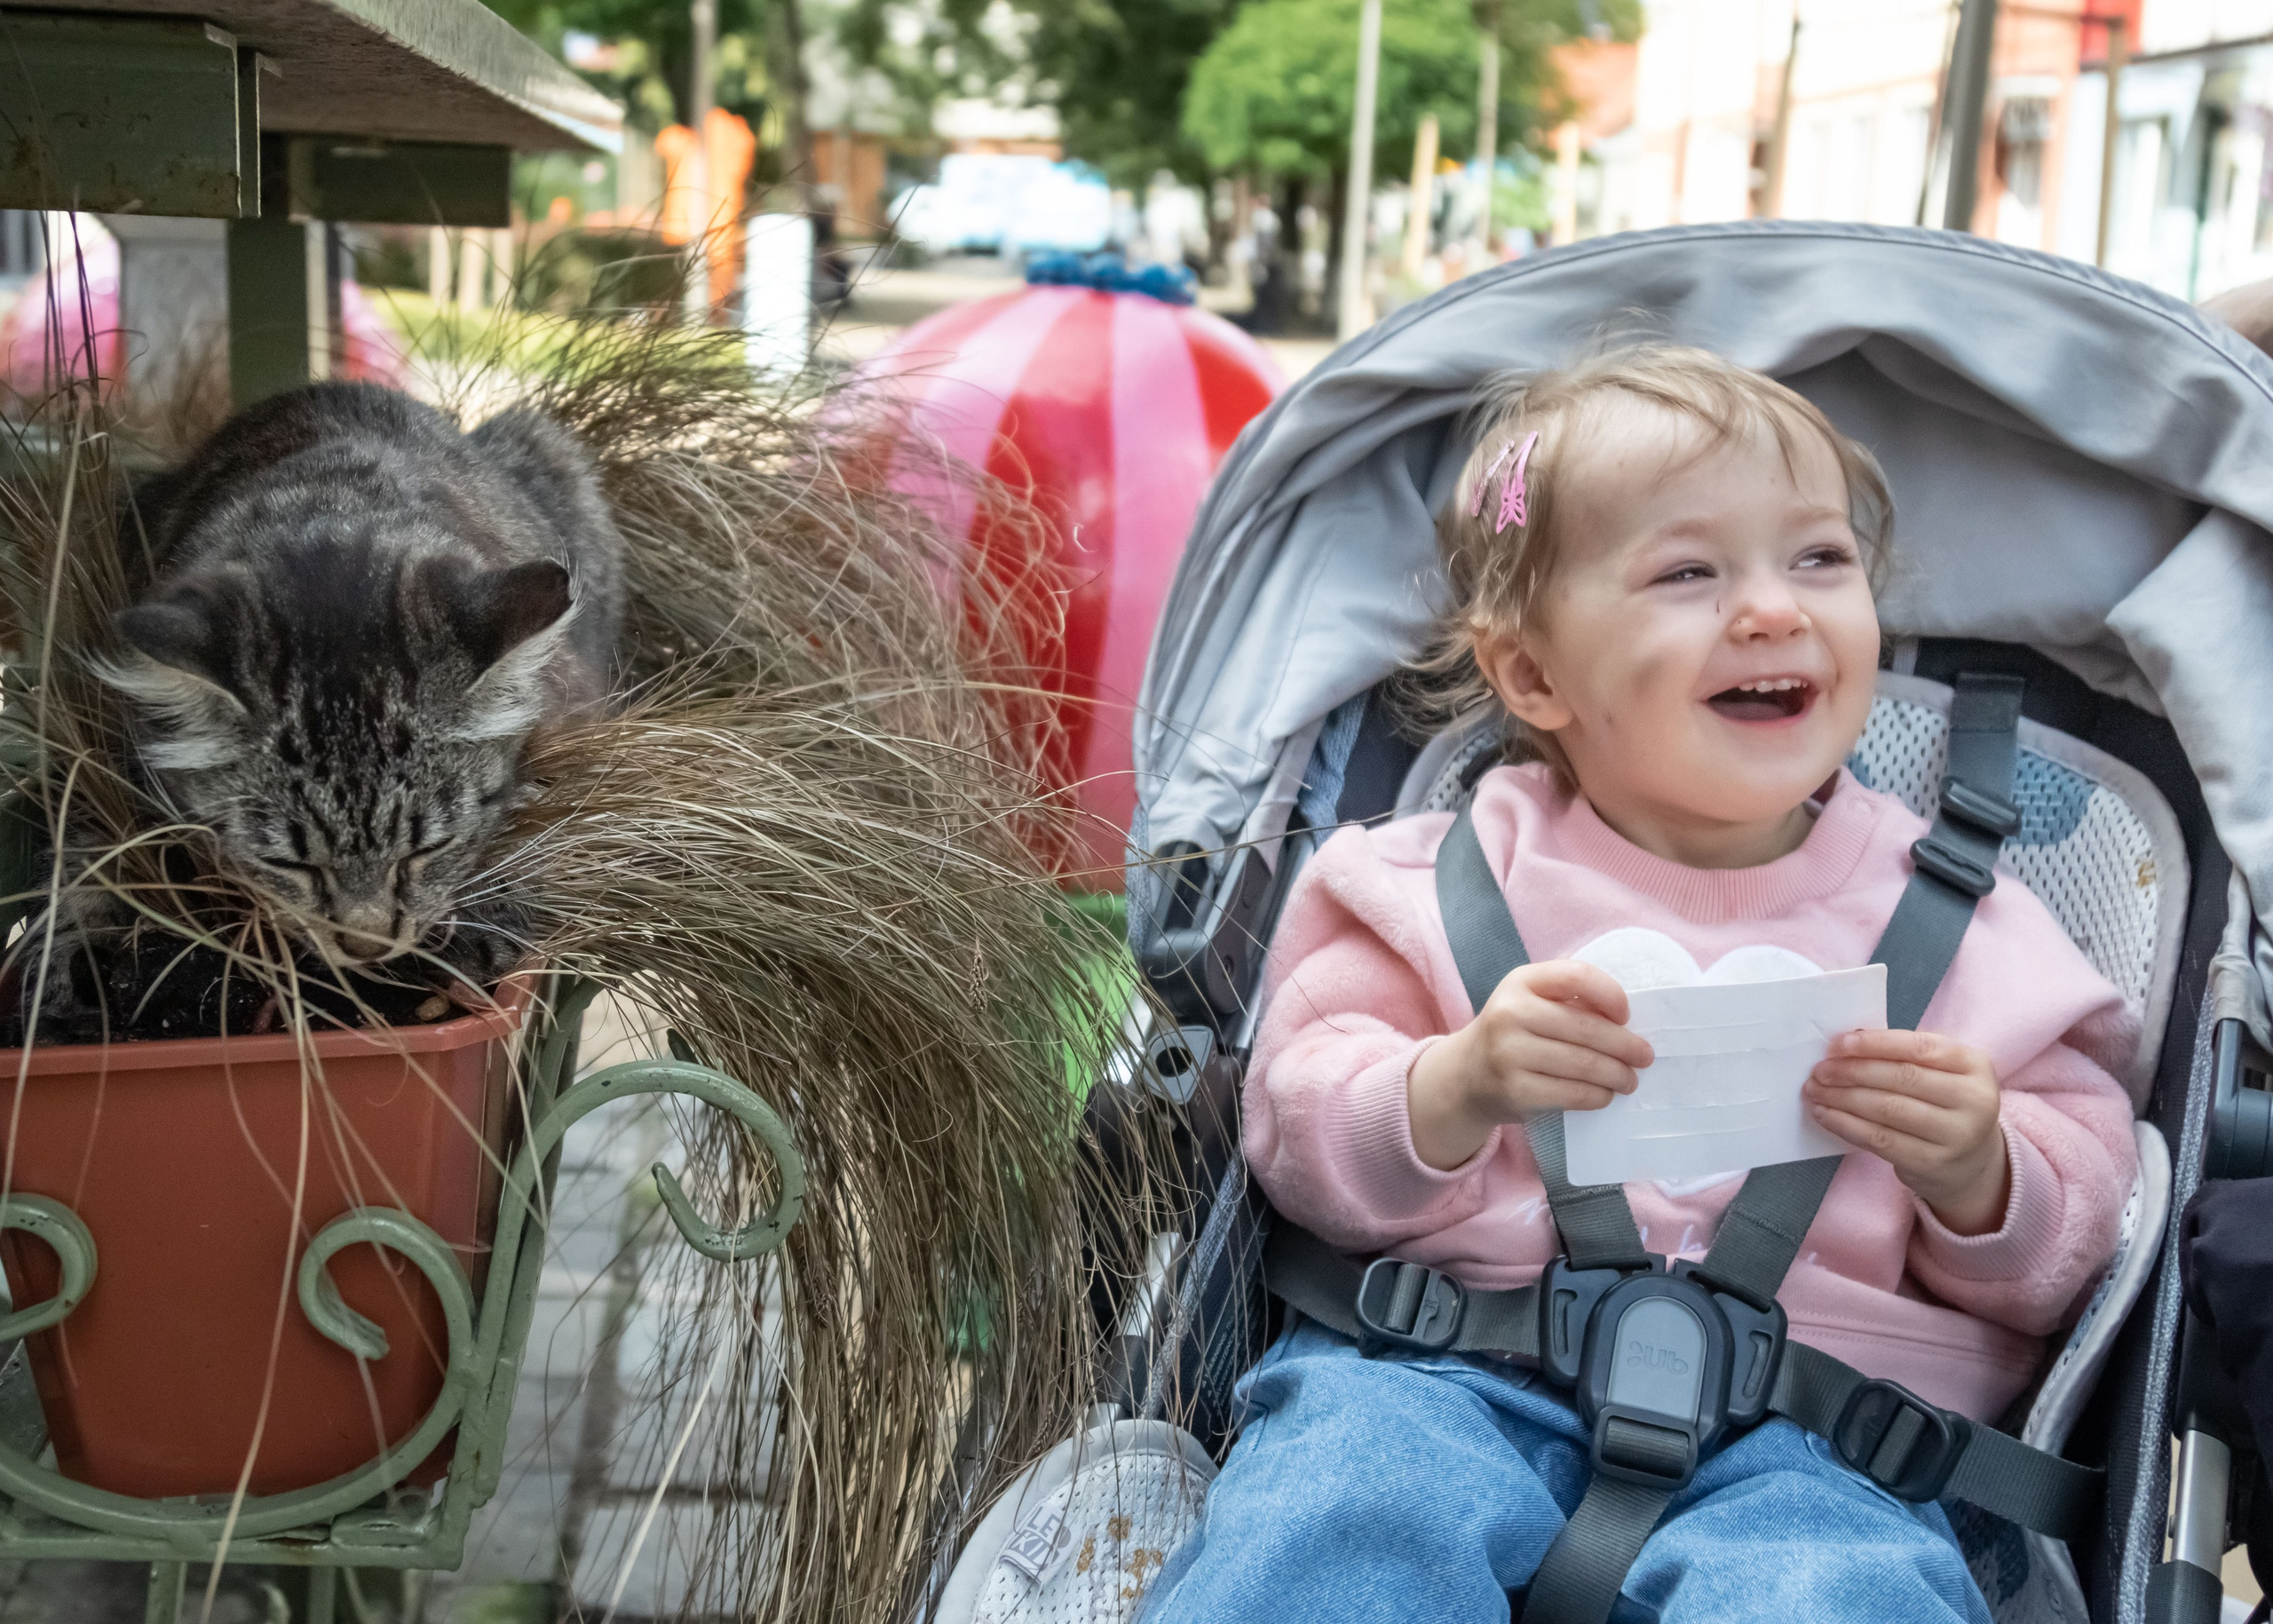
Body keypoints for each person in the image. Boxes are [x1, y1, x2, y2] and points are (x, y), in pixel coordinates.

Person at [1141, 345, 2140, 1624]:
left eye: (1820, 559)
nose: (1775, 609)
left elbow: (2090, 1213)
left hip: (1825, 1439)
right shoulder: (1433, 881)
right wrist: (1449, 1087)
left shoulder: (1977, 925)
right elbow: (1294, 1119)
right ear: (1534, 675)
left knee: (1837, 1598)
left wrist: (1983, 1171)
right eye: (1688, 572)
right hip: (1442, 1370)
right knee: (1337, 1515)